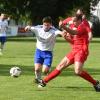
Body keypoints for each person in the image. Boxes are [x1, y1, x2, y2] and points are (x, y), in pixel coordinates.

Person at [38, 15, 100, 92]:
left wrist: (64, 27)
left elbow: (74, 32)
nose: (73, 23)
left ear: (80, 21)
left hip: (81, 51)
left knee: (78, 71)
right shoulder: (75, 26)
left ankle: (96, 83)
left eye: (75, 21)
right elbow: (73, 42)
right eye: (73, 21)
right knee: (61, 66)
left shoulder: (83, 26)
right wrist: (65, 37)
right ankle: (44, 81)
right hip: (74, 50)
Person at [25, 16, 64, 83]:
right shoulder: (38, 28)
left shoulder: (54, 30)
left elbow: (60, 33)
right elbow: (30, 27)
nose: (46, 26)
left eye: (48, 25)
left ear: (50, 25)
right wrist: (27, 27)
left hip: (48, 53)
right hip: (39, 51)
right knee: (37, 69)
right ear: (43, 24)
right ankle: (38, 79)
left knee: (45, 71)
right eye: (45, 25)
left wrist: (63, 33)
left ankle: (48, 70)